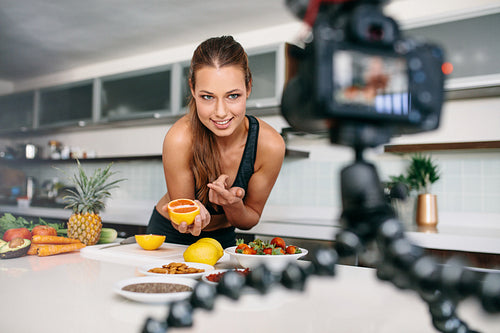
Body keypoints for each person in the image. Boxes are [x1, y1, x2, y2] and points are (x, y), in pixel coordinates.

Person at [146, 36, 286, 249]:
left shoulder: (270, 145)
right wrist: (189, 216)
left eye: (233, 96)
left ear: (248, 87)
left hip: (223, 239)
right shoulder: (180, 138)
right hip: (169, 237)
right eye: (207, 97)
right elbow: (184, 217)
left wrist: (233, 206)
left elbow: (250, 219)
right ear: (192, 89)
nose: (221, 113)